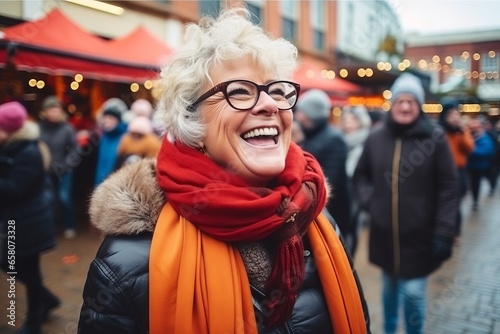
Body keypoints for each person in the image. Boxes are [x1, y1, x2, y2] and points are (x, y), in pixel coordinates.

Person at [78, 8, 369, 334]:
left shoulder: (316, 216)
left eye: (276, 91)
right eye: (240, 91)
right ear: (193, 122)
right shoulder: (127, 263)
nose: (270, 105)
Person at [353, 73, 458, 334]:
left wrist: (445, 232)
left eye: (412, 101)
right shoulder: (376, 137)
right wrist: (371, 203)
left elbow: (448, 188)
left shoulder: (435, 138)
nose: (406, 106)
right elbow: (360, 175)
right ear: (393, 104)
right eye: (401, 100)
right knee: (388, 289)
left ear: (419, 106)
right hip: (385, 236)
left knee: (412, 293)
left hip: (421, 236)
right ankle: (389, 329)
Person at [0, 101, 60, 334]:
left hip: (29, 222)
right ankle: (47, 300)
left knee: (27, 270)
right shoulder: (12, 147)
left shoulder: (28, 151)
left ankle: (33, 323)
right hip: (19, 219)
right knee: (11, 263)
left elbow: (15, 189)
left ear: (10, 130)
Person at [294, 89, 352, 241]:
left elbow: (329, 183)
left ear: (310, 115)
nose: (297, 116)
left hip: (329, 214)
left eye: (301, 111)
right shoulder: (307, 134)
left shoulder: (334, 139)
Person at [38, 96, 78, 239]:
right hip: (45, 170)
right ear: (45, 112)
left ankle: (70, 226)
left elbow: (75, 150)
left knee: (64, 197)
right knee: (47, 199)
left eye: (57, 110)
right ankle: (49, 228)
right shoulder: (39, 128)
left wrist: (66, 165)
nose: (54, 113)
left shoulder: (67, 128)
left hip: (64, 170)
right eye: (51, 110)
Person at [438, 97, 474, 239]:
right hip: (442, 171)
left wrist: (462, 131)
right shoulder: (440, 131)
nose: (454, 118)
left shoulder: (461, 131)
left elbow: (469, 147)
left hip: (458, 172)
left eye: (456, 114)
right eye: (451, 115)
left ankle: (456, 232)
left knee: (456, 203)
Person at [340, 105, 372, 257]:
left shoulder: (368, 141)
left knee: (353, 230)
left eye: (352, 120)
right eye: (346, 120)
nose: (348, 123)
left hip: (357, 195)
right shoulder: (340, 141)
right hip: (343, 192)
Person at [93, 99, 127, 186]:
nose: (107, 121)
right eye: (106, 118)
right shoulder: (102, 135)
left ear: (118, 121)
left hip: (115, 184)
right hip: (99, 182)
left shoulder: (124, 137)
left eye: (111, 118)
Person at [467, 118, 495, 211]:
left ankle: (491, 187)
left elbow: (487, 151)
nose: (475, 128)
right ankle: (475, 200)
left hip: (480, 166)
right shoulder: (468, 136)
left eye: (477, 126)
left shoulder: (485, 137)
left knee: (479, 182)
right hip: (470, 166)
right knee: (473, 184)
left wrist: (471, 150)